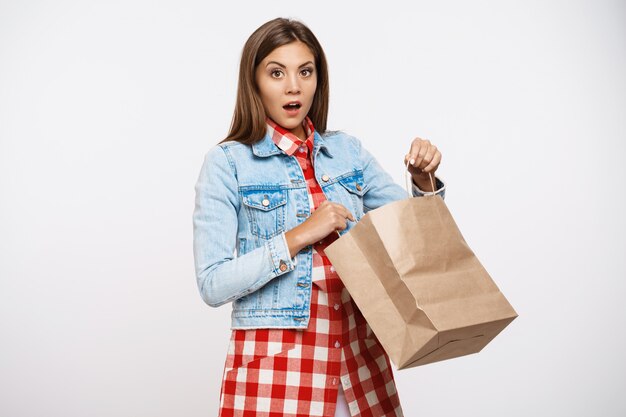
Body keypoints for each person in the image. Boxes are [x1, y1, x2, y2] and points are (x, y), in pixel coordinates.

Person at [193, 17, 445, 417]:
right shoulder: (228, 163)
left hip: (360, 369)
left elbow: (418, 238)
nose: (293, 85)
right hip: (278, 375)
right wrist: (298, 236)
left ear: (317, 80)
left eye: (305, 71)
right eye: (277, 73)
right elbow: (212, 283)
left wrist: (423, 182)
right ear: (254, 82)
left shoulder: (348, 153)